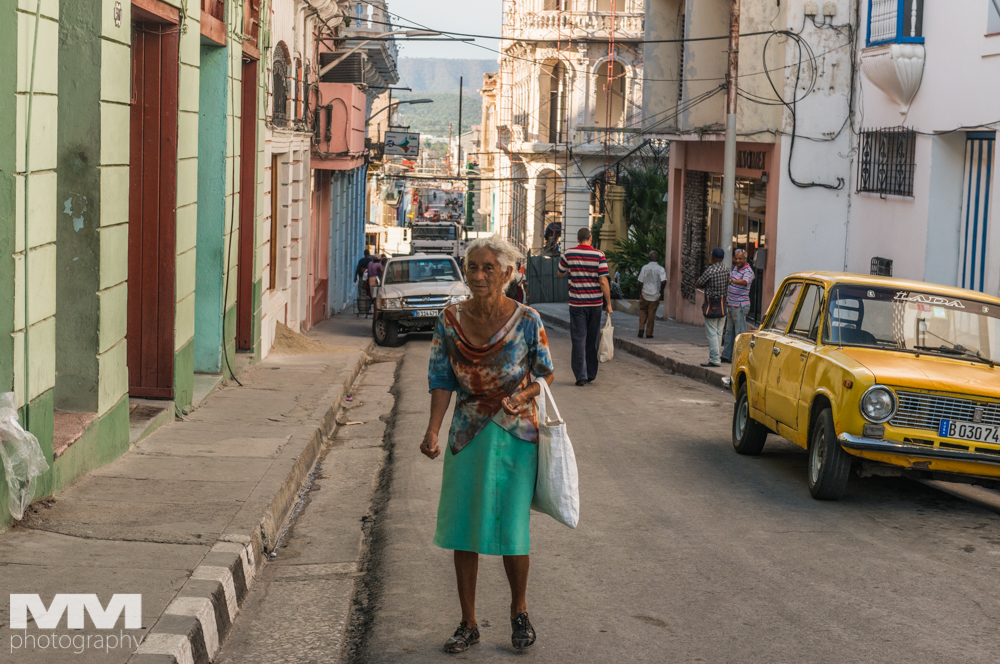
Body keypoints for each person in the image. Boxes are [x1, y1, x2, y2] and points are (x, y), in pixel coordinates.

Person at [422, 235, 555, 654]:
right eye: (473, 267)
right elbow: (442, 378)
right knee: (466, 529)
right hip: (467, 432)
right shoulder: (449, 319)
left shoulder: (529, 319)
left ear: (508, 274)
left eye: (488, 268)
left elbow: (545, 373)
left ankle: (520, 611)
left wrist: (525, 395)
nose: (479, 275)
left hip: (517, 434)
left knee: (513, 529)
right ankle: (468, 622)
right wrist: (432, 430)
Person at [558, 227, 613, 386]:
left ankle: (580, 375)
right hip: (595, 304)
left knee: (578, 339)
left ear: (577, 240)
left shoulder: (568, 254)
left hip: (577, 303)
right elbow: (603, 281)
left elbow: (560, 273)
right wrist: (608, 304)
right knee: (592, 339)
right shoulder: (599, 255)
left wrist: (572, 270)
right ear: (590, 239)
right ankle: (590, 373)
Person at [696, 248, 729, 368]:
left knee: (711, 332)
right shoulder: (726, 270)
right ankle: (716, 357)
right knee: (719, 332)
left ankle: (714, 359)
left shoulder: (710, 270)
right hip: (723, 302)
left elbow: (698, 283)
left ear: (713, 257)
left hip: (711, 303)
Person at [721, 249, 755, 364]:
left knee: (740, 333)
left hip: (740, 305)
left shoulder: (748, 271)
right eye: (736, 258)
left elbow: (745, 282)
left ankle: (741, 358)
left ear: (745, 259)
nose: (738, 261)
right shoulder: (736, 268)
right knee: (729, 331)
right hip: (731, 304)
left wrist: (731, 282)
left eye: (740, 258)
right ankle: (726, 355)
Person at [636, 250, 667, 339]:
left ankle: (641, 330)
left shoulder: (644, 268)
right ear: (658, 258)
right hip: (655, 295)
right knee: (651, 315)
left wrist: (640, 293)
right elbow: (664, 281)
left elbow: (640, 282)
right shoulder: (661, 269)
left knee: (643, 311)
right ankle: (649, 333)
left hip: (645, 293)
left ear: (649, 258)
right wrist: (660, 291)